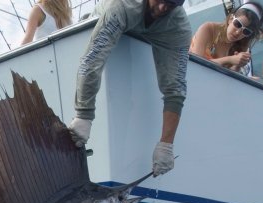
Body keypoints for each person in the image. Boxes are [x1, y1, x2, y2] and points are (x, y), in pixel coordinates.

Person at [68, 0, 192, 177]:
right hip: (101, 22)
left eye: (171, 5)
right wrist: (83, 115)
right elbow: (91, 60)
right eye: (161, 0)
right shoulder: (123, 5)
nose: (163, 8)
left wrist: (167, 144)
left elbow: (176, 90)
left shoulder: (179, 27)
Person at [189, 2, 263, 75]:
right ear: (230, 19)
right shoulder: (208, 28)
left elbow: (229, 77)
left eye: (246, 31)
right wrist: (229, 59)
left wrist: (238, 65)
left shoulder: (243, 44)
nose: (238, 32)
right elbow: (197, 63)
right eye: (238, 24)